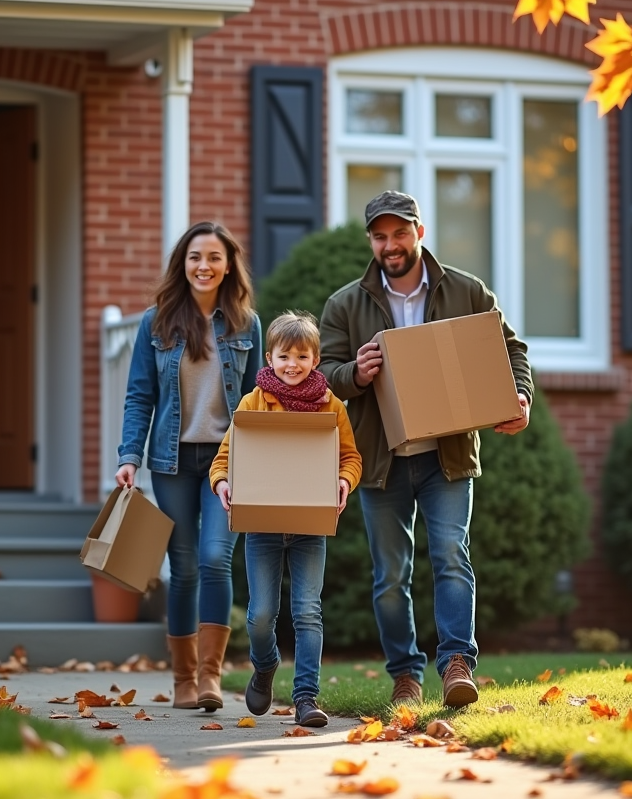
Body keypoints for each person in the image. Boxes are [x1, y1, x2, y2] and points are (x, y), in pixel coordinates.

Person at [318, 190, 533, 708]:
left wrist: (519, 395)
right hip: (383, 459)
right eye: (380, 236)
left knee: (451, 558)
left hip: (448, 456)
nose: (390, 245)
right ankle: (405, 675)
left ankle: (457, 663)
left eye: (399, 233)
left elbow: (510, 348)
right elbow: (323, 376)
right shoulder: (346, 304)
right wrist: (355, 373)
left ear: (420, 232)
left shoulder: (466, 291)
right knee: (391, 576)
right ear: (371, 240)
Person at [115, 221, 262, 712]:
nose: (204, 266)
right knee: (183, 568)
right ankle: (181, 679)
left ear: (228, 265)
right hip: (171, 460)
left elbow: (262, 400)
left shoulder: (247, 324)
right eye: (195, 257)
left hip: (228, 461)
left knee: (215, 557)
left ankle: (210, 677)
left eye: (214, 258)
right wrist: (129, 458)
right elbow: (140, 396)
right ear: (183, 262)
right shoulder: (155, 323)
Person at [209, 310, 362, 728]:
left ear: (315, 360)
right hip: (262, 527)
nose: (292, 365)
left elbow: (349, 457)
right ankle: (265, 665)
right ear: (269, 359)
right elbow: (225, 457)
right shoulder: (253, 402)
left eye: (301, 356)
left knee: (308, 611)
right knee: (260, 615)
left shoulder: (331, 405)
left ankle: (306, 698)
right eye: (283, 356)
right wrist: (222, 482)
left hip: (310, 526)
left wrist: (345, 481)